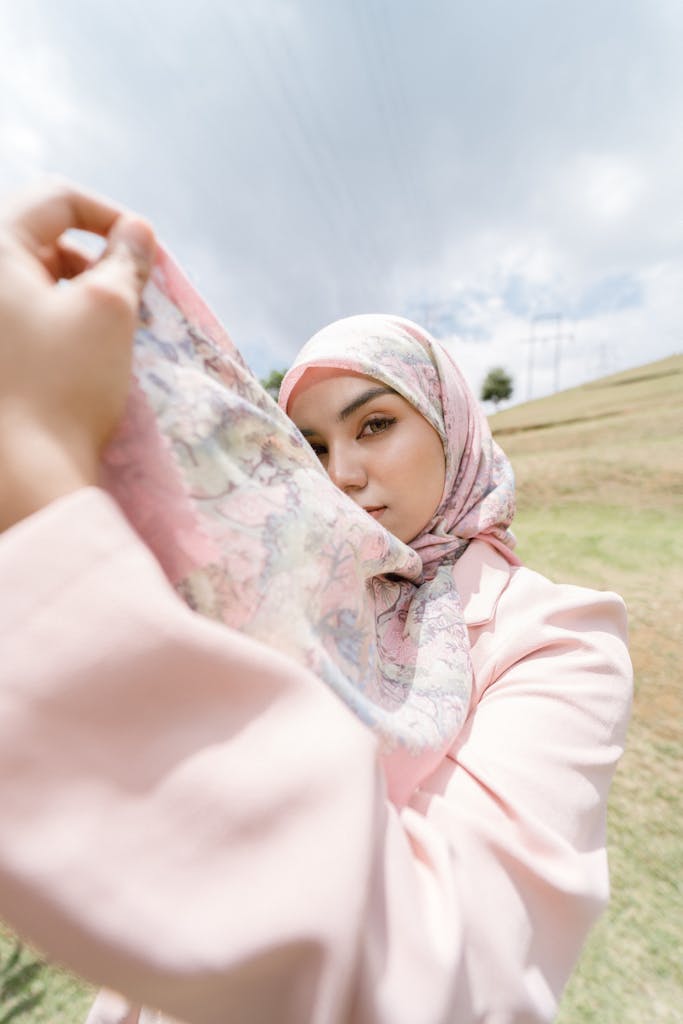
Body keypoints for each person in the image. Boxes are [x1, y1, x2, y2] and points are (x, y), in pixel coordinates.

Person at [0, 180, 632, 1024]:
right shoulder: (274, 584)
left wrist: (35, 490)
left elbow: (448, 988)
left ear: (452, 426)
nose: (341, 476)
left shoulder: (557, 641)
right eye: (313, 446)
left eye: (374, 425)